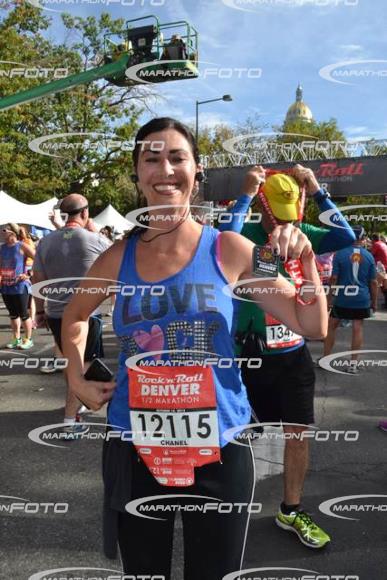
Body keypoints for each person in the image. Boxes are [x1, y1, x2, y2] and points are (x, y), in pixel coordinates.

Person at [61, 117, 327, 580]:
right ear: (138, 174)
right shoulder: (114, 257)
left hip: (220, 448)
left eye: (177, 157)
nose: (165, 168)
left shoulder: (233, 248)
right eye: (151, 158)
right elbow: (76, 315)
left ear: (197, 170)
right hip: (135, 446)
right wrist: (75, 378)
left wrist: (304, 257)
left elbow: (311, 322)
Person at [219, 166, 355, 549]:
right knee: (240, 436)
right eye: (277, 214)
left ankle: (290, 510)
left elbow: (346, 235)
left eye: (289, 215)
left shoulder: (303, 232)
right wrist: (245, 194)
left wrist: (316, 190)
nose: (284, 222)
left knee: (297, 435)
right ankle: (231, 507)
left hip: (293, 352)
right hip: (249, 352)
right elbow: (222, 235)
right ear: (262, 207)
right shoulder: (245, 236)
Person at [32, 194, 111, 433]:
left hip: (56, 314)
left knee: (71, 364)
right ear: (85, 213)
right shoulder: (96, 240)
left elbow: (37, 279)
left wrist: (41, 311)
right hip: (86, 314)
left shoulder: (45, 242)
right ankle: (70, 419)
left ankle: (76, 403)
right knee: (82, 367)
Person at [322, 226, 378, 374]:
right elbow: (373, 282)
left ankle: (325, 359)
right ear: (362, 238)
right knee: (357, 328)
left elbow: (333, 278)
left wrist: (329, 298)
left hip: (342, 298)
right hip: (361, 299)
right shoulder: (369, 256)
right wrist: (374, 302)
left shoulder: (339, 254)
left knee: (331, 326)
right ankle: (353, 364)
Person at [0, 223, 35, 349]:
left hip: (20, 286)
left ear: (13, 233)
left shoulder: (22, 246)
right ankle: (16, 338)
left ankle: (28, 339)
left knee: (23, 314)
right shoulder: (1, 248)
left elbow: (39, 260)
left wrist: (29, 274)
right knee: (13, 314)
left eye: (5, 230)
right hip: (5, 286)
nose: (2, 232)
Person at [371, 234, 387, 308]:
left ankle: (373, 303)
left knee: (375, 284)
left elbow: (370, 255)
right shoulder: (383, 244)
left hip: (381, 266)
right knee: (384, 286)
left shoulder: (376, 244)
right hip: (384, 266)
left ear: (373, 239)